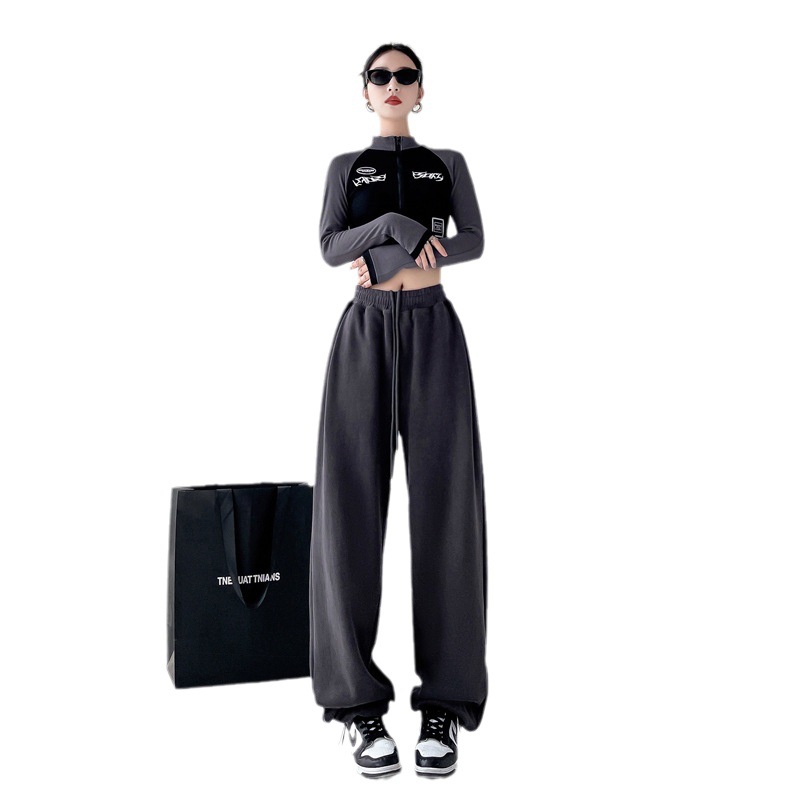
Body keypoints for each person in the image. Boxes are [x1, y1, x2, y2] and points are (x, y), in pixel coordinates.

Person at [308, 42, 489, 778]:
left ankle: (445, 702)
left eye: (404, 76)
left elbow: (474, 241)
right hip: (363, 330)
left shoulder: (447, 163)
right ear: (364, 91)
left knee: (449, 511)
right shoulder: (345, 168)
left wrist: (402, 245)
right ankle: (357, 706)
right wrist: (396, 227)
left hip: (434, 328)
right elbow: (330, 246)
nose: (392, 84)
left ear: (420, 91)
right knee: (347, 508)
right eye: (379, 76)